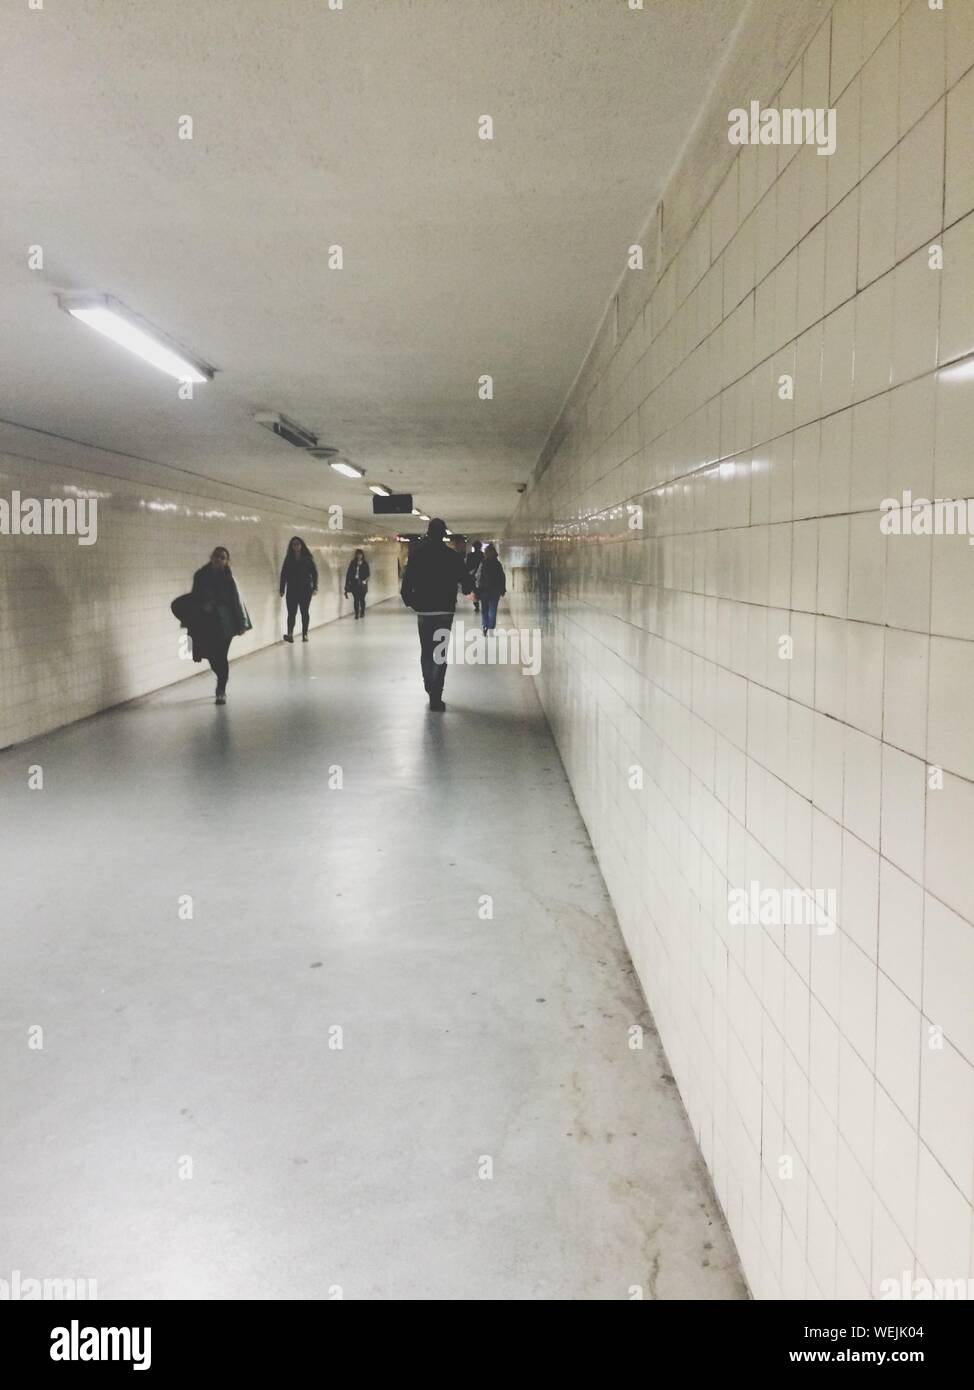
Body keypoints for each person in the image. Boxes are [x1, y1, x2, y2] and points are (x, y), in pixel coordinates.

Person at [400, 517, 472, 711]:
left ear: (428, 533)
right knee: (440, 653)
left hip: (425, 612)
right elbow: (466, 584)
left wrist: (414, 603)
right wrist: (466, 590)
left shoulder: (417, 555)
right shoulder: (452, 556)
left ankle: (428, 683)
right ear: (444, 534)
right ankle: (436, 694)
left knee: (426, 650)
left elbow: (406, 587)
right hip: (444, 611)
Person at [183, 546, 253, 705]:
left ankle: (221, 689)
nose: (219, 560)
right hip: (206, 622)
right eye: (217, 556)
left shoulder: (229, 578)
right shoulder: (200, 575)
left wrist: (241, 623)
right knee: (212, 657)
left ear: (227, 561)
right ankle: (223, 677)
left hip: (225, 622)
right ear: (211, 557)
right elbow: (194, 597)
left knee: (221, 655)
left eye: (223, 557)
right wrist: (203, 606)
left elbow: (236, 600)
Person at [279, 536, 318, 643]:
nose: (295, 546)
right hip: (292, 589)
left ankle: (305, 634)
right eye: (293, 544)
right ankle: (290, 634)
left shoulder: (307, 558)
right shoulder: (288, 558)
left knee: (304, 612)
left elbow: (314, 573)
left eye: (297, 544)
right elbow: (283, 574)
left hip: (305, 589)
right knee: (291, 613)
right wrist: (282, 588)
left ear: (301, 545)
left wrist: (315, 587)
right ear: (291, 546)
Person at [477, 544, 506, 635]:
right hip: (495, 590)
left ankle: (485, 625)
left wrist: (478, 587)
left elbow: (479, 577)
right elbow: (502, 577)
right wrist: (503, 589)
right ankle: (491, 627)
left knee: (485, 609)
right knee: (493, 609)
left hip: (484, 590)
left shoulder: (483, 563)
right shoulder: (497, 564)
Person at [344, 548, 371, 619]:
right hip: (354, 583)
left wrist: (364, 581)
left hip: (362, 584)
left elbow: (368, 574)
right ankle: (356, 613)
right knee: (356, 599)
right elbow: (348, 574)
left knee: (362, 599)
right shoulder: (353, 563)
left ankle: (362, 612)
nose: (359, 556)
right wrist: (347, 584)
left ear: (362, 555)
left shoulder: (365, 564)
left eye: (360, 554)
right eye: (358, 554)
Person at [465, 541, 483, 613]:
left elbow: (467, 566)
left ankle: (476, 605)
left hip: (472, 575)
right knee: (479, 589)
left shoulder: (470, 555)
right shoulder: (482, 555)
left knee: (474, 590)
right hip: (480, 575)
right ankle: (479, 602)